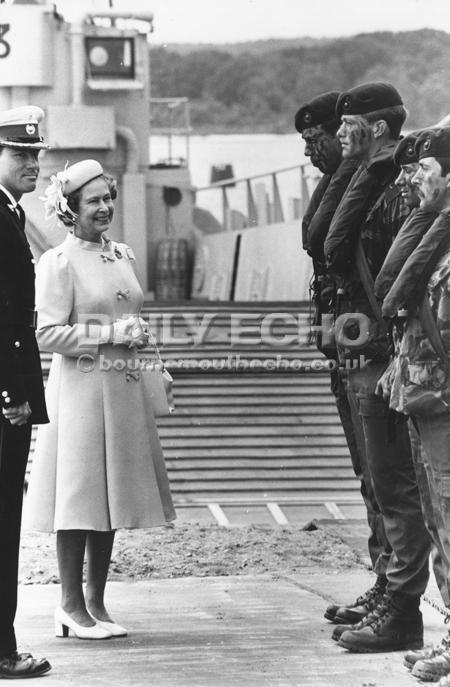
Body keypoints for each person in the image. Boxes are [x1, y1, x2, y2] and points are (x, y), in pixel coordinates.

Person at [24, 159, 175, 640]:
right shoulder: (59, 262)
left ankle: (96, 602)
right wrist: (111, 332)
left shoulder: (123, 254)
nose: (105, 207)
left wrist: (137, 334)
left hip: (122, 386)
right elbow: (46, 333)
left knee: (108, 498)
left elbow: (129, 309)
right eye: (94, 201)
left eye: (108, 197)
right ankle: (68, 605)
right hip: (82, 391)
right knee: (80, 494)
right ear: (70, 210)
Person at [323, 82, 432, 652]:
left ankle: (402, 606)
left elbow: (395, 276)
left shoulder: (392, 189)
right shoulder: (373, 180)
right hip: (372, 350)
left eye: (350, 123)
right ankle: (392, 591)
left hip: (390, 356)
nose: (339, 133)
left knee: (396, 484)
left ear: (380, 127)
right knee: (383, 482)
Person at [295, 92, 391, 626]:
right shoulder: (342, 179)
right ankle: (385, 582)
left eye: (318, 140)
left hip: (370, 348)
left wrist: (349, 165)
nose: (312, 152)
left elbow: (322, 239)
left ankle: (395, 593)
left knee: (385, 478)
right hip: (345, 346)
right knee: (367, 474)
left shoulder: (371, 181)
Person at [377, 127, 450, 685]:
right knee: (439, 521)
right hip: (427, 397)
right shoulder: (434, 233)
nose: (409, 177)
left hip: (443, 399)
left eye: (421, 167)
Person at [0, 106, 51, 678]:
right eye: (20, 154)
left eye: (36, 154)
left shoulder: (9, 214)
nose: (32, 163)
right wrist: (11, 394)